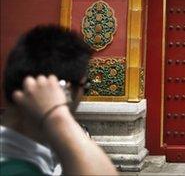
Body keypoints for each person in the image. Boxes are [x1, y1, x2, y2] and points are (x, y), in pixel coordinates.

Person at [0, 25, 118, 175]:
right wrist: (56, 113)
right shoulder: (14, 170)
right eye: (86, 85)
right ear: (62, 90)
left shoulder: (37, 155)